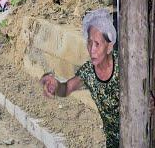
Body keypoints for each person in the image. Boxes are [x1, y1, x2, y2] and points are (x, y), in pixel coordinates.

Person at [41, 8, 119, 147]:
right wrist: (56, 86)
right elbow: (66, 89)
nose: (92, 50)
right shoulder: (88, 71)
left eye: (97, 44)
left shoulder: (124, 67)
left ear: (109, 47)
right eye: (89, 43)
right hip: (113, 142)